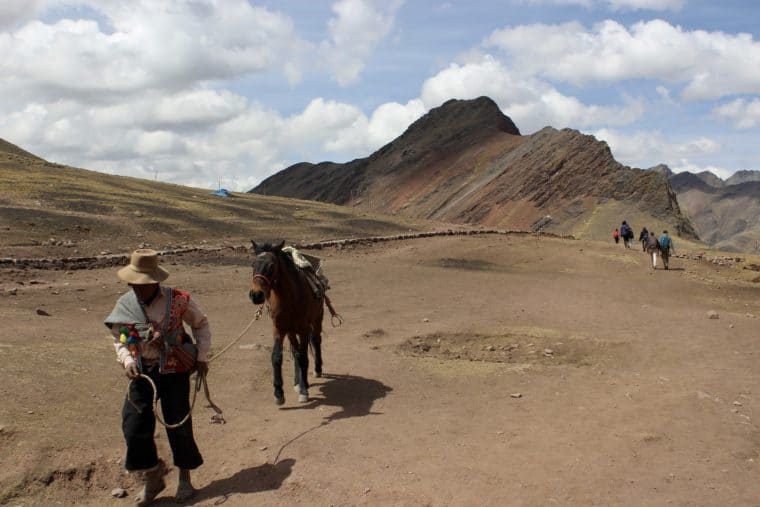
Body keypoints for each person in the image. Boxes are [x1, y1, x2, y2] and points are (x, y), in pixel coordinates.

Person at [104, 249, 211, 506]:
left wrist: (202, 357)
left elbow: (201, 323)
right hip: (142, 371)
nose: (137, 289)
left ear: (155, 282)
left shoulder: (178, 300)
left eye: (142, 284)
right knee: (133, 425)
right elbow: (120, 336)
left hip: (175, 370)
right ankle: (153, 475)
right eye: (134, 283)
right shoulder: (126, 305)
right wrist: (127, 360)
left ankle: (185, 478)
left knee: (178, 424)